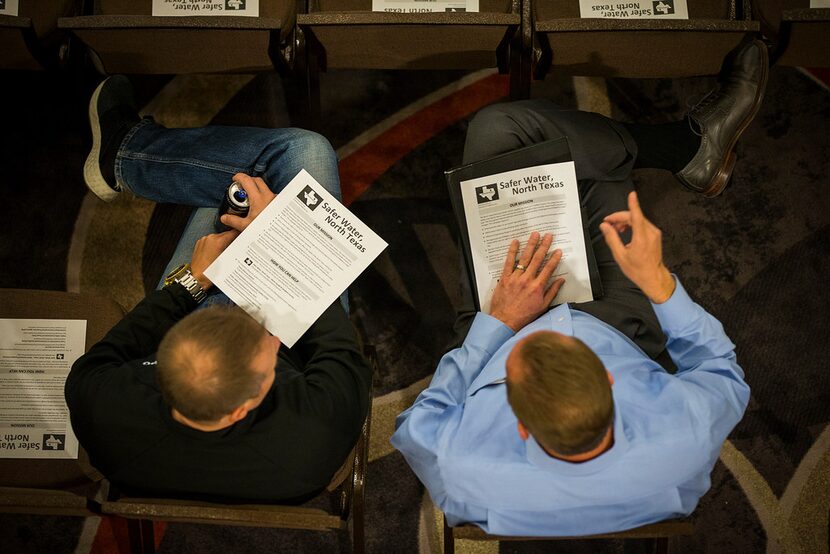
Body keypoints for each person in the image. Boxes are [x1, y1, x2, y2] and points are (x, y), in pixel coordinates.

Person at [391, 40, 766, 535]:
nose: (557, 323)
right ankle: (686, 148)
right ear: (609, 381)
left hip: (499, 325)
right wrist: (658, 284)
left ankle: (684, 148)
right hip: (620, 326)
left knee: (497, 132)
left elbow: (419, 422)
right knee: (579, 166)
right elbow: (721, 368)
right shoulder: (686, 431)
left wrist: (499, 324)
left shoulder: (463, 469)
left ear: (519, 423)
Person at [65, 76, 372, 503]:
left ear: (160, 365)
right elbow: (338, 343)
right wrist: (280, 237)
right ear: (251, 401)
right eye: (264, 344)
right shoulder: (317, 426)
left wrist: (191, 284)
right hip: (301, 328)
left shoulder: (103, 404)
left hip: (196, 297)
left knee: (240, 188)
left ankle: (125, 156)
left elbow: (111, 351)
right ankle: (129, 156)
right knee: (302, 155)